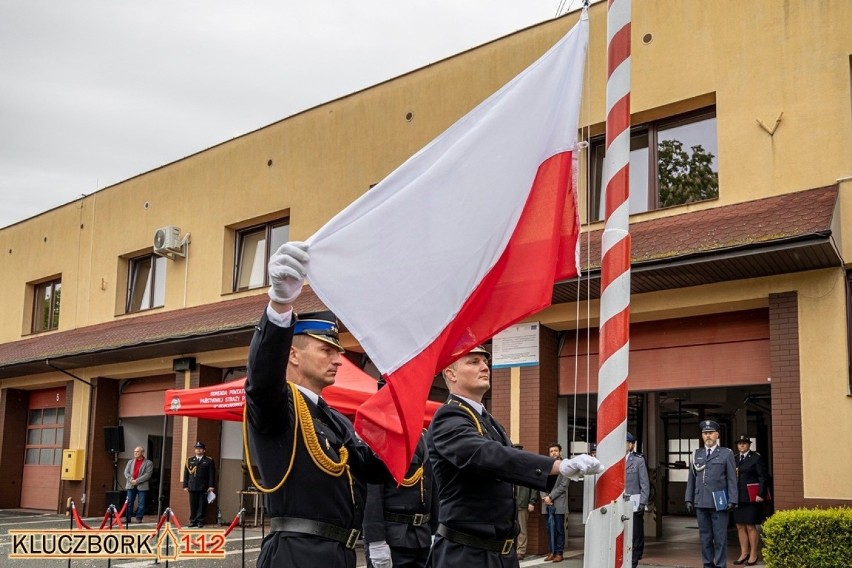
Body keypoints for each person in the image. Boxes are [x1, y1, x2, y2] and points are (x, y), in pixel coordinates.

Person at [243, 241, 391, 568]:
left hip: (340, 553)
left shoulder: (335, 419)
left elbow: (375, 468)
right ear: (293, 354)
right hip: (297, 553)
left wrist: (396, 399)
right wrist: (279, 307)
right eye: (327, 351)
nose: (339, 360)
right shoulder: (279, 407)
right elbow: (261, 380)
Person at [426, 345, 602, 567]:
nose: (484, 367)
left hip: (500, 553)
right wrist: (557, 465)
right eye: (473, 362)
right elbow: (488, 455)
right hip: (467, 554)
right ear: (450, 374)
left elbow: (506, 463)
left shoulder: (489, 421)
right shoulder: (448, 416)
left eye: (485, 362)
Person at [363, 430, 437, 568]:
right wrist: (376, 541)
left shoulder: (424, 437)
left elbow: (432, 487)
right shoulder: (384, 438)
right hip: (393, 539)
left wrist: (434, 531)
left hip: (422, 538)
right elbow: (372, 495)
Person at [684, 420, 737, 568]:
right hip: (701, 502)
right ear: (702, 436)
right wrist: (688, 498)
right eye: (705, 433)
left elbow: (732, 479)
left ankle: (720, 565)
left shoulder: (726, 454)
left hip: (719, 503)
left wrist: (733, 499)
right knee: (705, 538)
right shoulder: (697, 454)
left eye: (710, 433)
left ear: (717, 435)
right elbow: (691, 478)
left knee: (720, 538)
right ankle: (708, 564)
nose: (708, 436)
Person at [731, 435, 769, 566]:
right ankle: (744, 553)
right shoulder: (734, 459)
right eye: (739, 443)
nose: (741, 445)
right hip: (737, 497)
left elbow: (763, 477)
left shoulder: (756, 458)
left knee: (750, 526)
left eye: (744, 443)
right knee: (740, 526)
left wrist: (760, 494)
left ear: (749, 445)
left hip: (751, 498)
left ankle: (753, 554)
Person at [625, 432, 650, 568]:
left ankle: (634, 560)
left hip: (634, 503)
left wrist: (643, 502)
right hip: (619, 503)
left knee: (635, 533)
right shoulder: (615, 460)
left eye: (625, 442)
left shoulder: (638, 460)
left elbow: (644, 483)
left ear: (631, 445)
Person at [541, 443, 569, 563]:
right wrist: (544, 497)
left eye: (555, 451)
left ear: (560, 452)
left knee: (558, 529)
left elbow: (564, 485)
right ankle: (551, 552)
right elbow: (540, 483)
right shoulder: (545, 466)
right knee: (549, 529)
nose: (553, 453)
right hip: (546, 503)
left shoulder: (565, 466)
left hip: (558, 502)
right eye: (551, 451)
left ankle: (559, 553)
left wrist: (550, 497)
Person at [512, 445, 538, 561]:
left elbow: (534, 486)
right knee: (511, 528)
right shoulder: (510, 467)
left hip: (523, 503)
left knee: (522, 529)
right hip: (511, 504)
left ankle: (521, 551)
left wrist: (532, 501)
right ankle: (511, 550)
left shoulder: (527, 468)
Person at [183, 441, 216, 528]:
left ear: (204, 450)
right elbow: (186, 473)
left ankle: (200, 521)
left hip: (203, 486)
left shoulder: (208, 460)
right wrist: (185, 485)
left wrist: (211, 485)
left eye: (200, 449)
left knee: (202, 504)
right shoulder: (189, 460)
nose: (198, 450)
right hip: (192, 485)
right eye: (197, 449)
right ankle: (193, 520)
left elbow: (211, 474)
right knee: (193, 504)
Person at [123, 446, 153, 525]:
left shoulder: (148, 463)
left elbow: (148, 475)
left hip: (142, 486)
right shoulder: (130, 462)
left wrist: (137, 481)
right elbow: (126, 472)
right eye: (134, 451)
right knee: (129, 502)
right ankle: (128, 518)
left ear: (142, 453)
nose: (135, 453)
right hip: (131, 484)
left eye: (137, 451)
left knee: (141, 503)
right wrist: (131, 480)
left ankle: (139, 517)